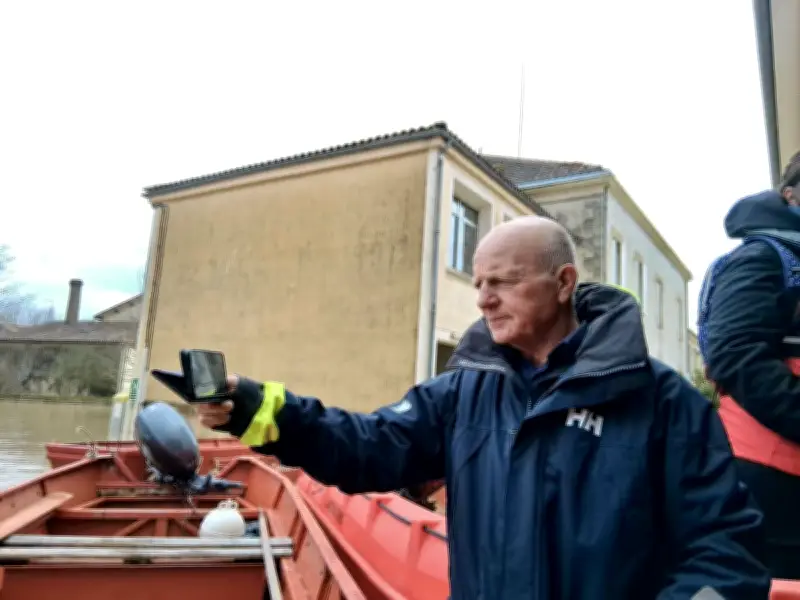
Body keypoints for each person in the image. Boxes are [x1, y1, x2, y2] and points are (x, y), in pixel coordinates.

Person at [198, 216, 770, 599]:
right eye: (478, 283)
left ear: (563, 282)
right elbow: (367, 447)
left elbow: (725, 550)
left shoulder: (664, 402)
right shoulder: (462, 392)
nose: (483, 299)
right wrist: (260, 412)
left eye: (503, 282)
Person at [699, 152, 800, 579]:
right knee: (746, 581)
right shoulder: (763, 257)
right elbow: (734, 352)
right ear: (790, 195)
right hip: (768, 474)